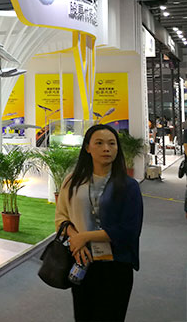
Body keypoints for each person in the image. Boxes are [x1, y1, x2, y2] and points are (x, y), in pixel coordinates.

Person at [55, 124, 143, 322]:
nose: (106, 148)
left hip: (115, 265)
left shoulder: (128, 186)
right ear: (87, 147)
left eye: (112, 144)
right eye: (99, 143)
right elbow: (61, 217)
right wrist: (75, 239)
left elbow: (130, 230)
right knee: (83, 315)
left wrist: (85, 237)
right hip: (81, 262)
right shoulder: (72, 181)